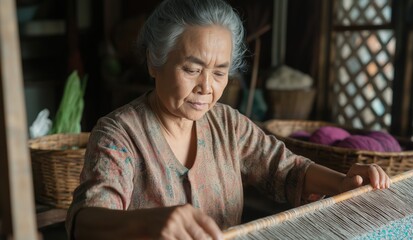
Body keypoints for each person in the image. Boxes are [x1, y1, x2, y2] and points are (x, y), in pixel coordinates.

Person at [66, 0, 391, 239]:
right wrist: (149, 223)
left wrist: (343, 182)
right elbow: (84, 222)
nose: (206, 87)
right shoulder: (120, 134)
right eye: (191, 69)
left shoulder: (226, 124)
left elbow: (287, 168)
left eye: (219, 72)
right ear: (155, 62)